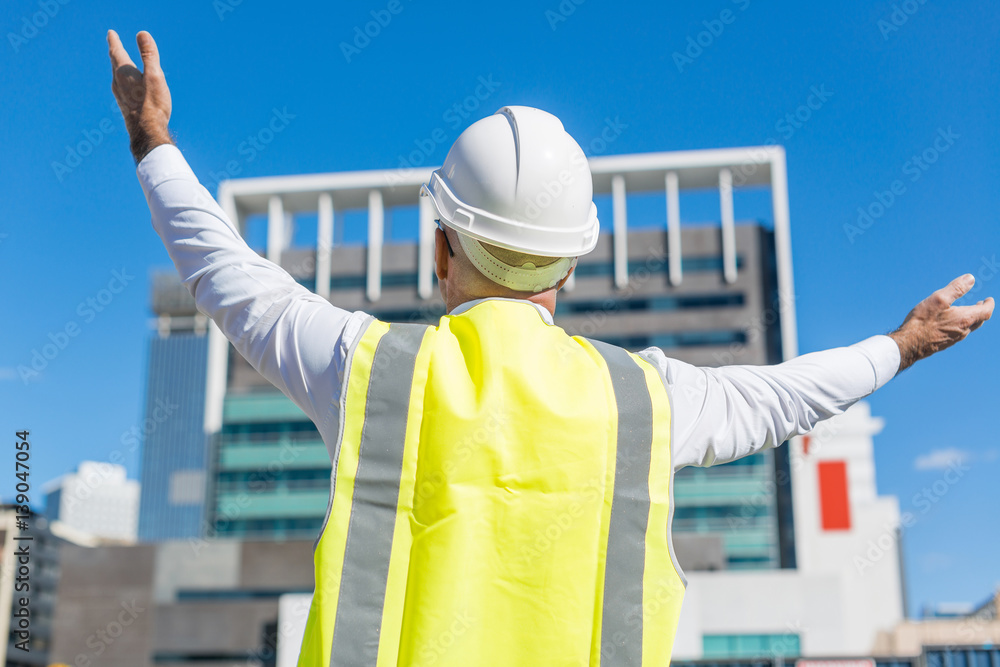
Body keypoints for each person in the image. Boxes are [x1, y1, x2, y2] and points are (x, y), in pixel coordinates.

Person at [108, 30, 992, 666]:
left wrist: (154, 141)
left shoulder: (369, 369)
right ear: (570, 262)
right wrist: (903, 344)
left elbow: (228, 275)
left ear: (441, 248)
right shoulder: (642, 399)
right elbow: (785, 396)